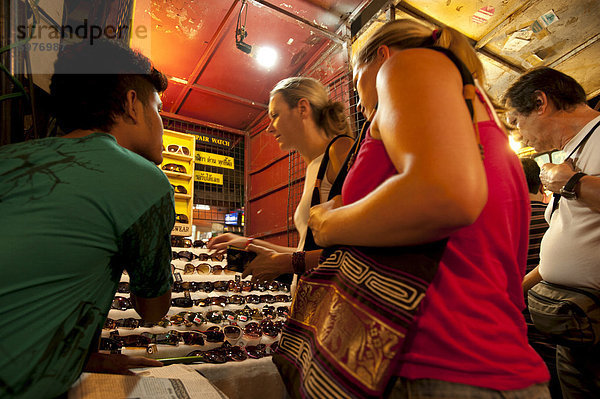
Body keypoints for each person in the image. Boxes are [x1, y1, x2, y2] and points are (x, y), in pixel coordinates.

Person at [302, 19, 550, 397]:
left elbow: (441, 196)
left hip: (435, 361)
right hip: (497, 363)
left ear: (381, 56)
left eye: (356, 82)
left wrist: (327, 223)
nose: (357, 100)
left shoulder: (406, 66)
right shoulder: (482, 123)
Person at [0, 39, 174, 398]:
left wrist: (77, 356)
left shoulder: (9, 157)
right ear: (132, 105)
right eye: (158, 109)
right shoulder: (144, 180)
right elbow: (153, 310)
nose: (162, 123)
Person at [506, 67, 600, 399]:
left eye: (516, 121)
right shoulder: (574, 152)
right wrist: (514, 294)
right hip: (574, 329)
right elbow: (564, 246)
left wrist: (572, 183)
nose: (518, 135)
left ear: (540, 102)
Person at [207, 77, 353, 282]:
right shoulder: (314, 167)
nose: (269, 128)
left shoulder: (341, 150)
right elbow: (303, 250)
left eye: (275, 115)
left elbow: (360, 250)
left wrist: (286, 263)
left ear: (302, 108)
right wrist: (247, 243)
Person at [521, 158, 561, 398]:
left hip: (523, 333)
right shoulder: (557, 221)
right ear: (542, 187)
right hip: (564, 324)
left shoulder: (504, 223)